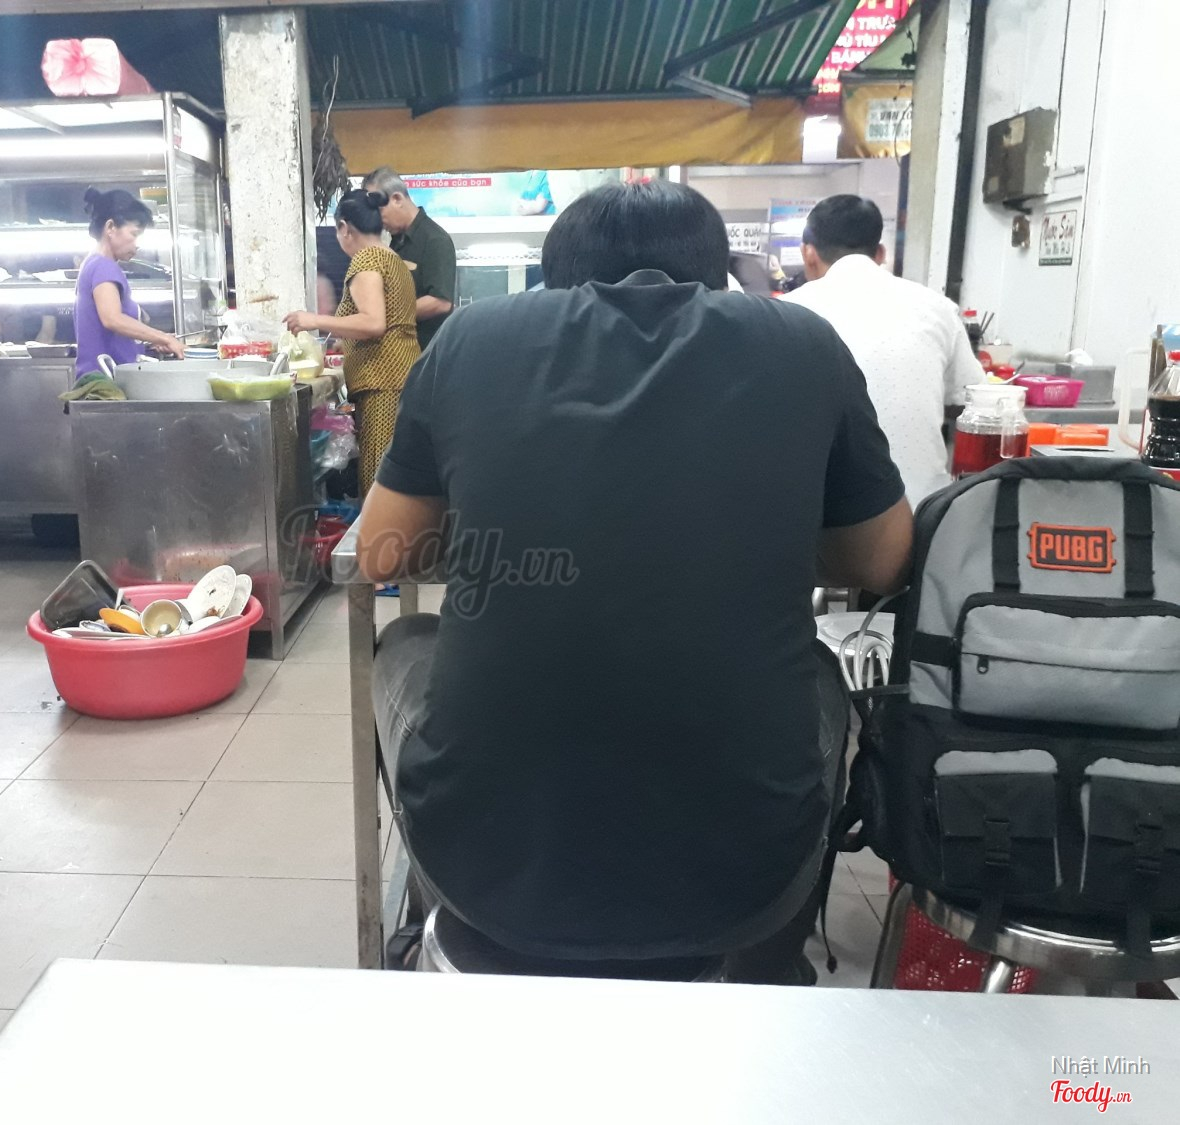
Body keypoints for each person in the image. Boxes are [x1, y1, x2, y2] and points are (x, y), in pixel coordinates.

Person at [357, 181, 912, 981]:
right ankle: (772, 958)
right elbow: (880, 560)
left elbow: (382, 552)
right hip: (743, 874)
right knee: (819, 673)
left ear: (555, 280)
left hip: (484, 860)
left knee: (405, 639)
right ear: (715, 276)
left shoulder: (474, 339)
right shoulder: (802, 341)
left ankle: (423, 905)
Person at [784, 194, 984, 509]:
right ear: (880, 253)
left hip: (824, 521)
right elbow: (975, 403)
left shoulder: (785, 313)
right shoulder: (937, 308)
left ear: (808, 254)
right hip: (928, 514)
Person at [285, 189, 419, 496]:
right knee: (395, 478)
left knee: (378, 481)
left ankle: (379, 530)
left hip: (384, 384)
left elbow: (373, 322)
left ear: (345, 227)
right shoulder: (392, 258)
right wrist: (344, 343)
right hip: (400, 377)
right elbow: (387, 322)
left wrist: (314, 320)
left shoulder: (368, 258)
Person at [74, 188, 185, 377]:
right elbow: (113, 319)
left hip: (102, 377)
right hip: (106, 380)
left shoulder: (92, 263)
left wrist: (151, 339)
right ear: (110, 227)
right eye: (134, 234)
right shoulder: (103, 266)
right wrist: (164, 338)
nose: (137, 243)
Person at [362, 167, 457, 349]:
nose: (378, 221)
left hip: (427, 354)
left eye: (379, 212)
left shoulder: (434, 240)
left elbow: (441, 302)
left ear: (397, 199)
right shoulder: (396, 243)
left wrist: (386, 316)